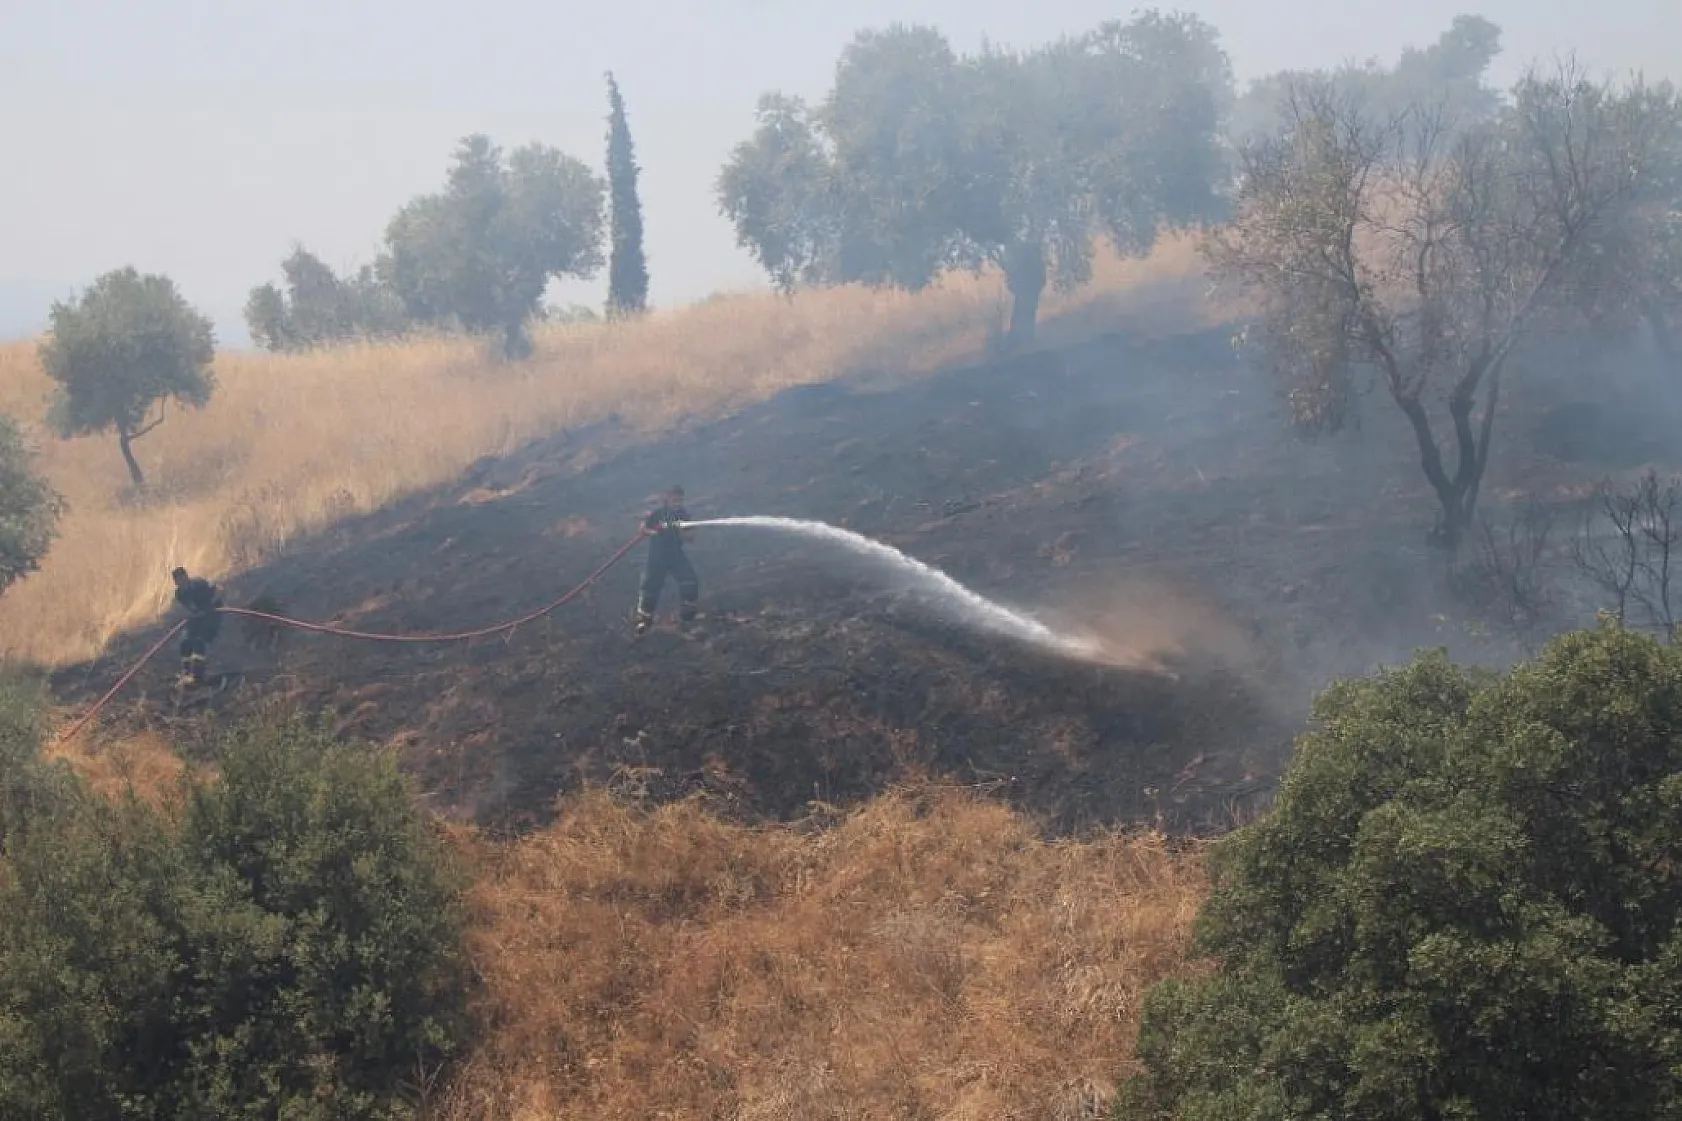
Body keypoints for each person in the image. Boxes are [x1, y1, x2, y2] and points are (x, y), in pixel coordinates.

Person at [635, 485, 698, 634]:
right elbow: (643, 529)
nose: (677, 503)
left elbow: (691, 537)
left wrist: (681, 530)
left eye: (680, 500)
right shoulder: (657, 514)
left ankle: (687, 617)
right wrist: (654, 531)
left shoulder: (683, 515)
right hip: (657, 555)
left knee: (689, 580)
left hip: (675, 554)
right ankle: (644, 619)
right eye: (674, 499)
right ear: (666, 499)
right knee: (650, 586)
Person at [171, 566, 224, 686]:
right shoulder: (179, 594)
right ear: (175, 582)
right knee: (185, 643)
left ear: (186, 576)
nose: (181, 582)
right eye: (178, 580)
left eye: (182, 578)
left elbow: (220, 589)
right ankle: (187, 673)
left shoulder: (198, 584)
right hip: (197, 618)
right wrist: (191, 615)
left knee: (199, 642)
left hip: (212, 615)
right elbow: (189, 608)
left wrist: (210, 605)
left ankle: (198, 676)